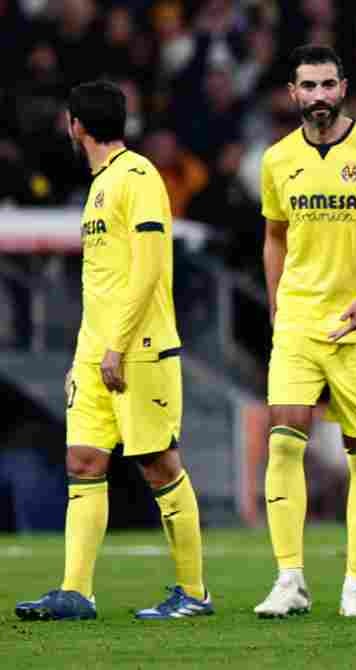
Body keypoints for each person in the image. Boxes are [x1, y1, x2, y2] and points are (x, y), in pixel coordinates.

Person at [15, 80, 211, 621]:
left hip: (139, 348)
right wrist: (87, 353)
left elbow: (149, 269)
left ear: (75, 125)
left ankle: (194, 593)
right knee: (82, 461)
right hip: (97, 351)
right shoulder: (101, 184)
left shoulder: (138, 176)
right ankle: (75, 592)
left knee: (158, 465)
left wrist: (117, 346)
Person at [254, 45, 356, 619]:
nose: (318, 96)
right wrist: (275, 304)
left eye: (327, 85)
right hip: (298, 319)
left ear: (343, 87)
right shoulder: (276, 160)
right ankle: (289, 579)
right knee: (282, 439)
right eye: (307, 86)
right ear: (292, 93)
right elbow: (275, 235)